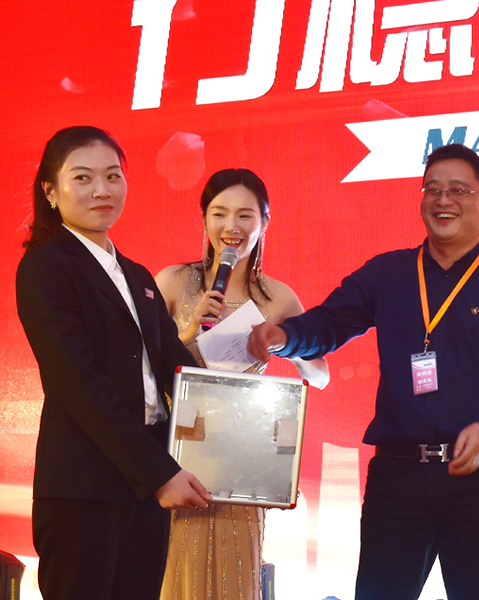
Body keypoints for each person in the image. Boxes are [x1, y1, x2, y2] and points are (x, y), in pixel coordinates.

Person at [248, 144, 479, 599]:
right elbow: (330, 322)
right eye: (432, 190)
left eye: (458, 190)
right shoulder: (388, 273)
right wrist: (285, 336)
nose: (443, 200)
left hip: (477, 475)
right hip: (397, 475)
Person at [16, 126, 212, 600]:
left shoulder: (137, 274)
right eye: (83, 178)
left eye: (113, 176)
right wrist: (159, 474)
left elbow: (177, 369)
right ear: (51, 191)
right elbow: (79, 384)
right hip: (85, 486)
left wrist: (247, 438)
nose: (102, 190)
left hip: (145, 486)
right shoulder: (46, 266)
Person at [154, 168, 329, 600]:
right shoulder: (173, 282)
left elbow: (321, 375)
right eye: (219, 213)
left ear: (264, 222)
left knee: (233, 578)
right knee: (173, 575)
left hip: (240, 469)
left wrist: (285, 343)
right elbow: (139, 365)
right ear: (204, 219)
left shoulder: (278, 297)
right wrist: (188, 331)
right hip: (174, 459)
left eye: (245, 215)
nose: (231, 226)